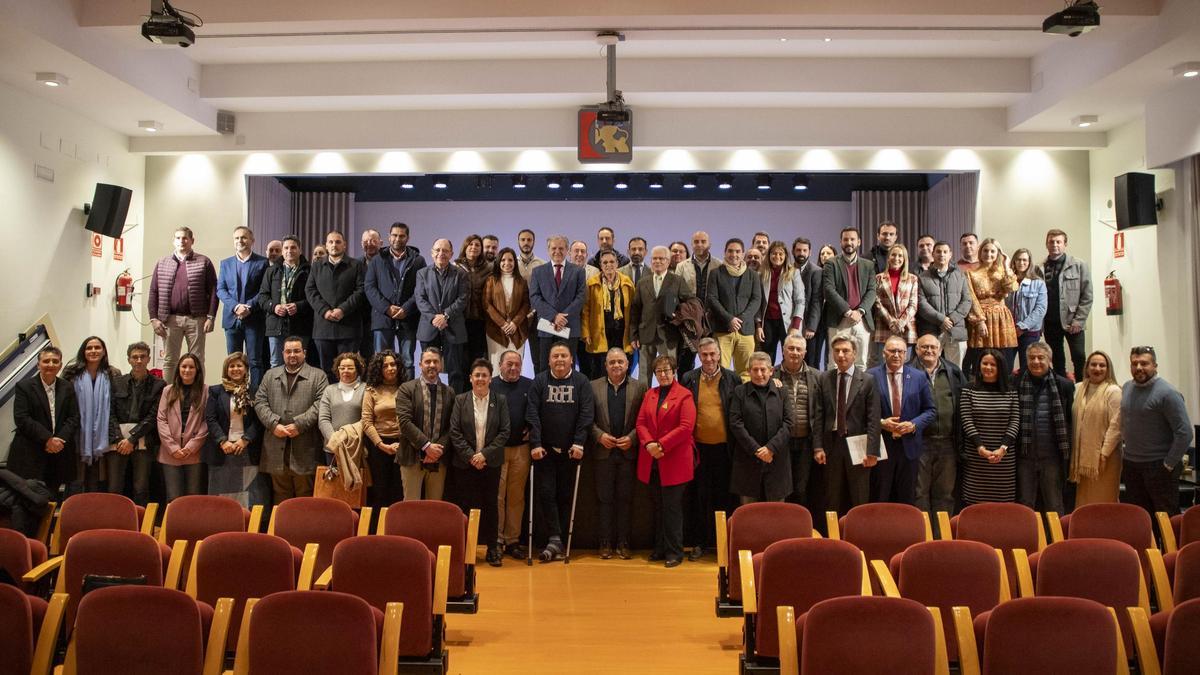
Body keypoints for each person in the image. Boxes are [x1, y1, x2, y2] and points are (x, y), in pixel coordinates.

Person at [527, 342, 594, 561]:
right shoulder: (539, 381)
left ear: (571, 359)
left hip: (570, 451)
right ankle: (554, 539)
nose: (559, 360)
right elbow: (533, 414)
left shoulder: (582, 382)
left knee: (566, 496)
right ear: (548, 360)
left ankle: (559, 541)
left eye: (563, 356)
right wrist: (535, 443)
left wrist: (579, 442)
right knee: (546, 495)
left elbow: (586, 413)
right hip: (545, 451)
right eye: (555, 356)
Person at [679, 338, 739, 559]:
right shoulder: (688, 379)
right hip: (698, 450)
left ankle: (724, 545)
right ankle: (699, 543)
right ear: (699, 356)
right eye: (704, 355)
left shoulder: (733, 379)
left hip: (726, 450)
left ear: (719, 354)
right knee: (699, 498)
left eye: (713, 354)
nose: (709, 359)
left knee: (725, 498)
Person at [635, 355, 696, 567]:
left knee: (672, 509)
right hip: (652, 460)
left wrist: (660, 445)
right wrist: (649, 444)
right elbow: (641, 423)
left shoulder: (685, 395)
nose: (663, 374)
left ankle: (674, 552)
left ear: (674, 371)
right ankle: (660, 548)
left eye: (667, 370)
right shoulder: (649, 394)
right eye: (659, 371)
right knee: (658, 508)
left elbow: (686, 427)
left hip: (675, 461)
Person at [449, 359, 510, 566]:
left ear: (490, 379)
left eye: (485, 375)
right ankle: (467, 550)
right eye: (477, 375)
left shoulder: (500, 400)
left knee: (491, 506)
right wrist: (471, 456)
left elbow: (504, 432)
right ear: (470, 378)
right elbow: (454, 432)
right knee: (466, 507)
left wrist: (483, 455)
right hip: (465, 465)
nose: (481, 379)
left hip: (490, 463)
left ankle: (493, 548)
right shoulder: (460, 400)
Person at [253, 336, 328, 503]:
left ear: (305, 353)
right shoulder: (270, 375)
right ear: (282, 354)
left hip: (305, 446)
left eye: (296, 351)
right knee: (280, 497)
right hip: (275, 446)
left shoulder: (318, 375)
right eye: (288, 351)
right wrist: (274, 424)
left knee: (305, 497)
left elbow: (321, 404)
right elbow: (259, 402)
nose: (292, 355)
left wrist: (299, 425)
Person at [1120, 346, 1192, 516]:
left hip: (1159, 466)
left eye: (1144, 363)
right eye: (1134, 363)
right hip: (1132, 466)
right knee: (1140, 518)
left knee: (1165, 519)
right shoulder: (1127, 387)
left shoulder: (1168, 393)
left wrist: (1169, 464)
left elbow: (1185, 432)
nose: (1138, 368)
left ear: (1155, 366)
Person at [590, 348, 647, 560]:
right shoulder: (592, 386)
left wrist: (632, 438)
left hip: (628, 453)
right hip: (602, 453)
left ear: (627, 364)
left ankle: (624, 542)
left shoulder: (640, 387)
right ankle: (604, 542)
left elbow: (644, 418)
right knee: (604, 500)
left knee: (625, 500)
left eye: (620, 362)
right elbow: (587, 419)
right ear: (605, 365)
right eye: (612, 362)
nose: (616, 366)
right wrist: (598, 435)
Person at [815, 336, 881, 515]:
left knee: (859, 496)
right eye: (837, 351)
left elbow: (873, 418)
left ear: (854, 353)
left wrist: (872, 451)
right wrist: (817, 447)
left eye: (845, 351)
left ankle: (859, 537)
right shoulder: (824, 378)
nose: (841, 355)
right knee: (832, 497)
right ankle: (833, 540)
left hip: (859, 445)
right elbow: (819, 415)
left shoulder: (868, 380)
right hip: (832, 445)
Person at [868, 336, 936, 505]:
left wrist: (914, 425)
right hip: (882, 447)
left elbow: (930, 410)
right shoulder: (870, 376)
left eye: (900, 351)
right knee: (880, 497)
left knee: (906, 500)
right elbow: (861, 411)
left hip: (909, 447)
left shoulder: (919, 376)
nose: (896, 355)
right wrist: (882, 422)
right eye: (892, 351)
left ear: (906, 354)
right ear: (884, 353)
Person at [148, 226, 218, 382]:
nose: (182, 241)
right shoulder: (162, 263)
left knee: (197, 360)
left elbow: (214, 290)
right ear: (173, 241)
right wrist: (154, 319)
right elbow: (153, 292)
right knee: (170, 361)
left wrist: (211, 317)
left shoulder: (204, 262)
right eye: (178, 238)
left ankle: (197, 397)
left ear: (192, 241)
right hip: (170, 319)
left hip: (196, 319)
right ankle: (168, 396)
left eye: (185, 238)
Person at [7, 346, 80, 494]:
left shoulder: (68, 387)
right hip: (30, 451)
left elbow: (74, 417)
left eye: (55, 361)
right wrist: (48, 439)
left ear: (60, 364)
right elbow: (22, 418)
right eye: (46, 361)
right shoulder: (24, 386)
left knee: (52, 496)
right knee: (29, 497)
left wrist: (59, 439)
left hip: (59, 452)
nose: (51, 365)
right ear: (38, 365)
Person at [909, 334, 966, 519]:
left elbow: (964, 403)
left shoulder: (953, 371)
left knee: (945, 495)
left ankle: (942, 539)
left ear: (940, 350)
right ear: (917, 350)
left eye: (933, 347)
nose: (929, 351)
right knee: (919, 494)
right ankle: (923, 539)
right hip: (919, 443)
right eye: (924, 347)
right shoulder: (908, 371)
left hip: (948, 443)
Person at [204, 352, 269, 507]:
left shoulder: (255, 391)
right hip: (223, 450)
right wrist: (222, 441)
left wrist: (246, 439)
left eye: (239, 365)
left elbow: (259, 420)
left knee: (250, 494)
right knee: (222, 494)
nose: (235, 369)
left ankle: (248, 526)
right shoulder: (215, 391)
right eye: (231, 366)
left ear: (246, 369)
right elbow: (211, 419)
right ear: (226, 370)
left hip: (247, 449)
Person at [729, 352, 794, 504]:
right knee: (749, 517)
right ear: (749, 371)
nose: (759, 374)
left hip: (777, 462)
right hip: (748, 462)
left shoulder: (782, 391)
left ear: (771, 371)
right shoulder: (740, 392)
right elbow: (735, 423)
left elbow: (789, 423)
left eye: (763, 370)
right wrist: (757, 450)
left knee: (777, 516)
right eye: (755, 369)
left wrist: (770, 448)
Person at [365, 222, 426, 381]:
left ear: (408, 238)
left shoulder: (418, 261)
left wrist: (406, 308)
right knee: (381, 361)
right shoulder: (377, 260)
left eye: (401, 236)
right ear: (388, 237)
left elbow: (421, 289)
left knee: (407, 360)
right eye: (394, 235)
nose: (397, 239)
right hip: (382, 318)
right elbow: (370, 288)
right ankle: (383, 396)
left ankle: (408, 396)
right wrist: (387, 308)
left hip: (408, 318)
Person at [958, 349, 1020, 506]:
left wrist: (1003, 448)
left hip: (1003, 458)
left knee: (1002, 505)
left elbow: (1014, 420)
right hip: (976, 456)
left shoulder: (1011, 390)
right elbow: (966, 419)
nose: (988, 367)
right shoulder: (969, 388)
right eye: (984, 363)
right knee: (974, 503)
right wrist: (980, 447)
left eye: (993, 364)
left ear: (1000, 367)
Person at [62, 336, 122, 492]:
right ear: (83, 351)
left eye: (97, 347)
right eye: (89, 348)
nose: (93, 351)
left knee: (96, 481)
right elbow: (64, 402)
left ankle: (92, 514)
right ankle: (71, 514)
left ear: (104, 351)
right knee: (75, 480)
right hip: (77, 433)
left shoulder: (113, 373)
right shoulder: (71, 372)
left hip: (103, 435)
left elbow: (116, 405)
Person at [109, 342, 166, 505]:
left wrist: (131, 439)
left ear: (148, 359)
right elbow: (110, 413)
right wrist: (120, 439)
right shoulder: (117, 382)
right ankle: (114, 525)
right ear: (129, 360)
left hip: (144, 441)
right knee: (114, 487)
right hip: (117, 442)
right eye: (135, 357)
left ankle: (141, 526)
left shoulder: (159, 385)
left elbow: (153, 415)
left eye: (142, 357)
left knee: (141, 487)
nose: (139, 360)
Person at [395, 347, 456, 500]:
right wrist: (427, 446)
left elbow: (452, 426)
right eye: (427, 361)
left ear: (441, 365)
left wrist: (437, 450)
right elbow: (404, 422)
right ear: (420, 364)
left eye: (435, 361)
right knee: (411, 508)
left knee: (434, 509)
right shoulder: (406, 388)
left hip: (438, 458)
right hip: (412, 456)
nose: (432, 365)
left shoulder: (449, 392)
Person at [305, 230, 366, 379]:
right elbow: (310, 290)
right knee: (326, 371)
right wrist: (325, 310)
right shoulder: (317, 266)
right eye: (331, 242)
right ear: (326, 245)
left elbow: (361, 290)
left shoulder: (356, 265)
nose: (334, 245)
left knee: (348, 370)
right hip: (323, 328)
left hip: (349, 328)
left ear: (344, 245)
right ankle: (329, 402)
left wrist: (342, 310)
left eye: (338, 242)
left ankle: (348, 403)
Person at [773, 334, 824, 509]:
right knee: (782, 488)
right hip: (781, 443)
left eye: (798, 349)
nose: (794, 352)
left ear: (805, 352)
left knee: (802, 488)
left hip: (806, 442)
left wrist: (818, 445)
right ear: (783, 350)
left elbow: (820, 414)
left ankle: (800, 528)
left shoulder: (817, 377)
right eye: (791, 348)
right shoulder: (771, 375)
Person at [1036, 229, 1093, 381]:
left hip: (1072, 321)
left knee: (1079, 357)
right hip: (1050, 322)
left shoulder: (1079, 265)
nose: (1054, 245)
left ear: (1065, 244)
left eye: (1058, 242)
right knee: (1057, 359)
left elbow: (1087, 295)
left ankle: (1081, 389)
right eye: (1051, 242)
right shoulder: (1039, 268)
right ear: (1046, 244)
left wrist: (1079, 321)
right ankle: (1063, 393)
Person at [492, 350, 533, 559]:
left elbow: (536, 412)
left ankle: (512, 540)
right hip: (497, 450)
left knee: (516, 497)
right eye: (509, 364)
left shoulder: (529, 385)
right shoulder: (490, 385)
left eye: (517, 364)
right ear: (500, 365)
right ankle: (497, 540)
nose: (513, 368)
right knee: (498, 497)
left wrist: (533, 429)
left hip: (521, 449)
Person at [216, 226, 270, 386]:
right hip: (231, 319)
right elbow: (221, 289)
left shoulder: (262, 263)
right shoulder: (225, 263)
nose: (240, 240)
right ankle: (234, 398)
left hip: (254, 319)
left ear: (252, 241)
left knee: (254, 361)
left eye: (244, 237)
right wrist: (235, 307)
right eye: (237, 238)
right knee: (233, 362)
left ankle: (254, 399)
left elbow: (264, 290)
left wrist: (248, 307)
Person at [414, 239, 469, 393]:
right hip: (428, 328)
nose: (441, 254)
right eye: (437, 250)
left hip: (454, 328)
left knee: (456, 372)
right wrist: (434, 318)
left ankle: (454, 407)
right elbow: (420, 299)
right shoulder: (422, 274)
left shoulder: (461, 274)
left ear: (451, 253)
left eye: (445, 251)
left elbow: (463, 299)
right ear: (432, 253)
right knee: (429, 370)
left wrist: (445, 316)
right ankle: (429, 402)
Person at [629, 246, 689, 384]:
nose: (657, 261)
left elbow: (689, 302)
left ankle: (670, 403)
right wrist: (633, 335)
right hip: (646, 334)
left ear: (668, 261)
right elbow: (635, 310)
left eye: (661, 258)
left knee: (668, 372)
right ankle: (645, 403)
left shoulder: (677, 280)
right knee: (644, 374)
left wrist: (678, 315)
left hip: (669, 334)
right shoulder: (642, 282)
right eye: (654, 258)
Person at [1070, 351, 1123, 506]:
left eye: (1102, 365)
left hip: (1105, 458)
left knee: (1103, 502)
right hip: (1082, 457)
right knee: (1083, 502)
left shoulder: (1114, 391)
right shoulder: (1078, 388)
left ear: (1108, 369)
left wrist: (1104, 453)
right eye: (1093, 364)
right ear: (1087, 368)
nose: (1097, 368)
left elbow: (1116, 425)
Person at [707, 238, 763, 381]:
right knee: (721, 371)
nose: (734, 254)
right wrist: (729, 319)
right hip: (722, 329)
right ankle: (725, 402)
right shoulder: (716, 273)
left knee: (746, 372)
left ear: (743, 253)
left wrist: (741, 319)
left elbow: (756, 299)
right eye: (730, 251)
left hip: (746, 330)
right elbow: (712, 299)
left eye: (738, 251)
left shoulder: (753, 275)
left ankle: (743, 402)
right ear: (725, 253)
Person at [528, 236, 587, 371]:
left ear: (567, 250)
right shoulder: (538, 271)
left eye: (561, 248)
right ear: (548, 250)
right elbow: (535, 297)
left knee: (567, 368)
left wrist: (563, 317)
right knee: (545, 367)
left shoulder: (578, 271)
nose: (557, 251)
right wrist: (554, 316)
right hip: (546, 328)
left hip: (570, 327)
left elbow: (581, 296)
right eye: (554, 248)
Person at [822, 228, 877, 370]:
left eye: (852, 239)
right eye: (845, 239)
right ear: (840, 242)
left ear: (859, 242)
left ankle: (859, 393)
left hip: (861, 320)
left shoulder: (868, 265)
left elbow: (872, 291)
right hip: (839, 319)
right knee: (835, 363)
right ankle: (835, 392)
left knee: (861, 362)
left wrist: (860, 311)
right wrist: (848, 311)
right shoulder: (831, 263)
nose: (849, 242)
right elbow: (829, 290)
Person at [157, 353, 208, 502]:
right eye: (184, 366)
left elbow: (206, 422)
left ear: (197, 370)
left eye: (191, 367)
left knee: (193, 496)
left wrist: (191, 446)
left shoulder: (206, 391)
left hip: (194, 452)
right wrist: (172, 447)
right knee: (173, 497)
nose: (187, 370)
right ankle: (174, 525)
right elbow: (161, 419)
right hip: (170, 453)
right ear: (178, 369)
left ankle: (191, 526)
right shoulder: (168, 390)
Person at [257, 236, 313, 368]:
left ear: (300, 250)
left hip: (300, 325)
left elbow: (313, 297)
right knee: (276, 363)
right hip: (276, 325)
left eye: (293, 247)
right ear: (282, 251)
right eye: (286, 248)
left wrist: (298, 306)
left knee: (300, 364)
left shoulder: (309, 271)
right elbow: (262, 297)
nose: (289, 251)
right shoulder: (271, 271)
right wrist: (274, 307)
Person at [965, 238, 1018, 375]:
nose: (989, 254)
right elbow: (971, 298)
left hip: (1001, 317)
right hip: (981, 318)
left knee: (1003, 358)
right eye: (985, 251)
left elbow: (1011, 287)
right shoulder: (971, 273)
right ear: (980, 252)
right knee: (980, 356)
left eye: (992, 251)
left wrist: (1006, 265)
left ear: (998, 253)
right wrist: (980, 321)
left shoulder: (1003, 272)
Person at [916, 241, 973, 367]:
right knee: (928, 368)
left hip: (956, 330)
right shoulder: (922, 277)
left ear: (950, 254)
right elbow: (921, 303)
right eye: (938, 251)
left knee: (955, 370)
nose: (942, 254)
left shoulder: (960, 275)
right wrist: (941, 319)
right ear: (933, 254)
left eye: (945, 252)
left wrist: (951, 320)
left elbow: (967, 301)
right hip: (931, 330)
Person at [361, 351, 405, 508]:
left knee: (399, 492)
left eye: (393, 364)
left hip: (403, 445)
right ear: (379, 368)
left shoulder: (407, 388)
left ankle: (398, 529)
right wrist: (381, 445)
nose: (390, 368)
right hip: (378, 446)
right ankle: (378, 530)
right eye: (385, 365)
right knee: (380, 492)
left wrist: (402, 442)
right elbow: (366, 422)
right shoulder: (371, 390)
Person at [582, 250, 635, 378]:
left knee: (621, 372)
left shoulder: (627, 283)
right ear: (600, 265)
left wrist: (634, 335)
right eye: (605, 262)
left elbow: (634, 310)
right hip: (599, 335)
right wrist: (586, 333)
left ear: (617, 264)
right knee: (599, 373)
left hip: (622, 335)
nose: (608, 265)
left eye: (612, 262)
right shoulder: (592, 283)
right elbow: (585, 310)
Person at [483, 247, 531, 372]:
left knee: (514, 367)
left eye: (510, 260)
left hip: (517, 331)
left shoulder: (522, 282)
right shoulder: (491, 280)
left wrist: (514, 323)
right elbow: (487, 304)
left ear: (515, 262)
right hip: (496, 331)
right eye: (503, 260)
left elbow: (526, 304)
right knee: (496, 367)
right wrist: (503, 324)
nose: (507, 263)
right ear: (498, 261)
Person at [870, 244, 919, 367]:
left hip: (905, 328)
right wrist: (891, 322)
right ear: (888, 257)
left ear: (904, 259)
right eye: (893, 255)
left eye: (900, 255)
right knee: (883, 367)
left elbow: (913, 305)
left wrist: (900, 323)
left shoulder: (913, 279)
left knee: (905, 368)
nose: (896, 258)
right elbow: (876, 303)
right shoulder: (878, 278)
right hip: (884, 328)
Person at [759, 241, 806, 364]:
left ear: (786, 256)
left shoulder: (793, 272)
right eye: (774, 253)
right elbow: (758, 302)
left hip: (788, 322)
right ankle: (769, 382)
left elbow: (800, 301)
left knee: (790, 356)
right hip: (768, 322)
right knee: (767, 357)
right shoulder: (762, 273)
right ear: (769, 255)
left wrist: (795, 326)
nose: (777, 257)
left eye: (781, 254)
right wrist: (758, 326)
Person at [317, 352, 366, 467]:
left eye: (350, 368)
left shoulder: (366, 389)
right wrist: (335, 440)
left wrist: (349, 437)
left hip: (357, 447)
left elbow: (367, 419)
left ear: (357, 370)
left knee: (358, 484)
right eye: (342, 368)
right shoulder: (329, 390)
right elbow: (323, 419)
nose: (345, 371)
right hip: (333, 449)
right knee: (334, 484)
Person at [1006, 248, 1048, 372]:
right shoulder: (1007, 282)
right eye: (1018, 259)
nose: (1021, 263)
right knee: (1006, 367)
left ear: (1029, 262)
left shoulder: (1038, 283)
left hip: (1029, 333)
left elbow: (1040, 309)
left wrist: (1022, 326)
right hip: (1008, 332)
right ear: (1013, 261)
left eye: (1025, 260)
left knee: (1027, 368)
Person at [457, 234, 492, 370]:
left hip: (479, 321)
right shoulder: (456, 267)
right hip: (460, 320)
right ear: (465, 247)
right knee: (461, 361)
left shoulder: (488, 268)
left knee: (477, 360)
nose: (474, 247)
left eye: (477, 245)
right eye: (470, 244)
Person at [516, 228, 546, 369]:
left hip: (536, 316)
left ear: (534, 242)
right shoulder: (511, 264)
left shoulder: (542, 264)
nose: (526, 243)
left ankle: (538, 389)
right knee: (514, 357)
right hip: (517, 318)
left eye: (529, 240)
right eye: (523, 240)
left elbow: (545, 293)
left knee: (538, 358)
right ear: (518, 242)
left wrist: (533, 311)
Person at [802, 245, 835, 369]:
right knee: (813, 356)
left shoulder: (837, 273)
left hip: (833, 319)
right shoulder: (815, 272)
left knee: (831, 356)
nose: (825, 256)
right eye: (822, 253)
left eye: (828, 253)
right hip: (817, 321)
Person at [792, 237, 822, 367]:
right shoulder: (788, 270)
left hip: (809, 325)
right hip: (791, 321)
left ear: (810, 252)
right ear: (793, 251)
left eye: (805, 250)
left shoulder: (816, 271)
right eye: (798, 250)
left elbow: (817, 300)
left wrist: (811, 326)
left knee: (811, 361)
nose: (801, 253)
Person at [689, 231, 715, 306]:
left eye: (703, 242)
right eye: (696, 242)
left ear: (709, 245)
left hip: (712, 311)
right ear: (692, 245)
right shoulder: (681, 266)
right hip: (690, 311)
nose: (699, 245)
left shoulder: (719, 265)